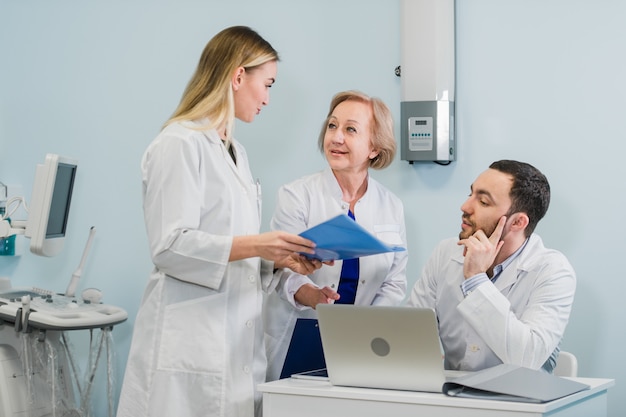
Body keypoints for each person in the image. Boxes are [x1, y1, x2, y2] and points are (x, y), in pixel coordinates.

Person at [116, 26, 323, 417]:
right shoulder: (178, 144)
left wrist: (277, 260)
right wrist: (259, 245)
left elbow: (228, 247)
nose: (267, 98)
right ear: (238, 75)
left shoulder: (236, 153)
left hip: (232, 347)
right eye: (268, 83)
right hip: (187, 349)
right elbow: (170, 246)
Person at [264, 90, 408, 381]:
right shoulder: (297, 196)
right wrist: (313, 296)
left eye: (350, 129)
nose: (336, 137)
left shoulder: (391, 205)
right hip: (300, 333)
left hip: (361, 342)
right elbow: (281, 270)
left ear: (374, 148)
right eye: (332, 126)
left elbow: (395, 281)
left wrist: (367, 324)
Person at [407, 160, 576, 373]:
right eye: (471, 194)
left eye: (484, 202)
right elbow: (409, 333)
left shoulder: (553, 271)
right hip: (451, 398)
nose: (465, 207)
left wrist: (476, 279)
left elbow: (527, 357)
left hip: (519, 401)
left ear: (517, 223)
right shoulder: (446, 254)